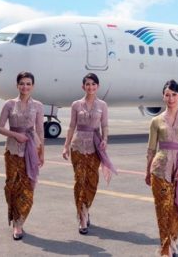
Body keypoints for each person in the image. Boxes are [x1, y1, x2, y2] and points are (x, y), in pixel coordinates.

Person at [61, 73, 117, 235]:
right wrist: (66, 146)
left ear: (97, 86)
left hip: (95, 145)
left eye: (93, 84)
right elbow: (71, 126)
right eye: (87, 84)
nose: (90, 87)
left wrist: (105, 139)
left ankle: (85, 207)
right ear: (83, 86)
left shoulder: (102, 105)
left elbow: (105, 125)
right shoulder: (76, 105)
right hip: (78, 145)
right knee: (80, 180)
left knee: (92, 181)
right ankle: (82, 216)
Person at [146, 80, 178, 257]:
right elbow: (151, 149)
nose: (171, 98)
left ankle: (172, 239)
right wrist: (147, 171)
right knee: (162, 209)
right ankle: (165, 248)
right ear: (163, 96)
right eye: (167, 94)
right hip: (159, 169)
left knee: (176, 208)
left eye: (174, 94)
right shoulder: (156, 121)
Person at [0, 71, 45, 240]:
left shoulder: (38, 105)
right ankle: (14, 216)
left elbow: (40, 130)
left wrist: (41, 152)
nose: (25, 87)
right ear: (17, 85)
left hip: (30, 150)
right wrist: (15, 135)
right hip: (12, 151)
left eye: (28, 84)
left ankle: (19, 224)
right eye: (22, 83)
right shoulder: (9, 104)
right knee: (12, 186)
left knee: (28, 188)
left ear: (33, 86)